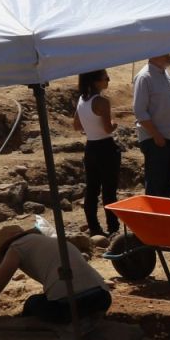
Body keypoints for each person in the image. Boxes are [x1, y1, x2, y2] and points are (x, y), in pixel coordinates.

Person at [0, 222, 112, 327]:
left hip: (69, 307)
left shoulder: (16, 247)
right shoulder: (50, 241)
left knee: (32, 303)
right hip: (103, 298)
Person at [71, 69, 120, 237]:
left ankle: (94, 226)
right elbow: (108, 129)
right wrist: (114, 123)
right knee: (109, 191)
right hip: (106, 147)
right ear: (96, 81)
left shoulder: (82, 99)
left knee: (92, 189)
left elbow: (76, 126)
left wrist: (91, 126)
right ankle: (113, 227)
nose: (108, 80)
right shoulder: (102, 102)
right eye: (106, 78)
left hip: (90, 146)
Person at [132, 54, 170, 198]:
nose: (169, 55)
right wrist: (156, 135)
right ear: (153, 54)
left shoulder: (166, 74)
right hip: (156, 140)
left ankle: (164, 212)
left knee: (168, 185)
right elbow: (139, 111)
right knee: (156, 187)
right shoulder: (144, 77)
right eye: (164, 53)